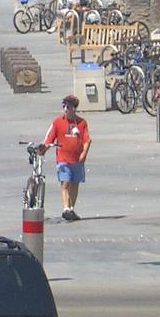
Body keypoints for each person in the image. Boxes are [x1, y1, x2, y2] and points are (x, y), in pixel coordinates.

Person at [37, 94, 91, 222]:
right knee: (65, 182)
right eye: (64, 106)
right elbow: (49, 139)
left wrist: (84, 153)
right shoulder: (58, 122)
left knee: (75, 184)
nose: (65, 109)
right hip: (63, 159)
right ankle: (66, 208)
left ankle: (71, 208)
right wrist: (43, 149)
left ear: (74, 108)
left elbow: (87, 140)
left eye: (68, 107)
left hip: (77, 159)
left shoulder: (82, 123)